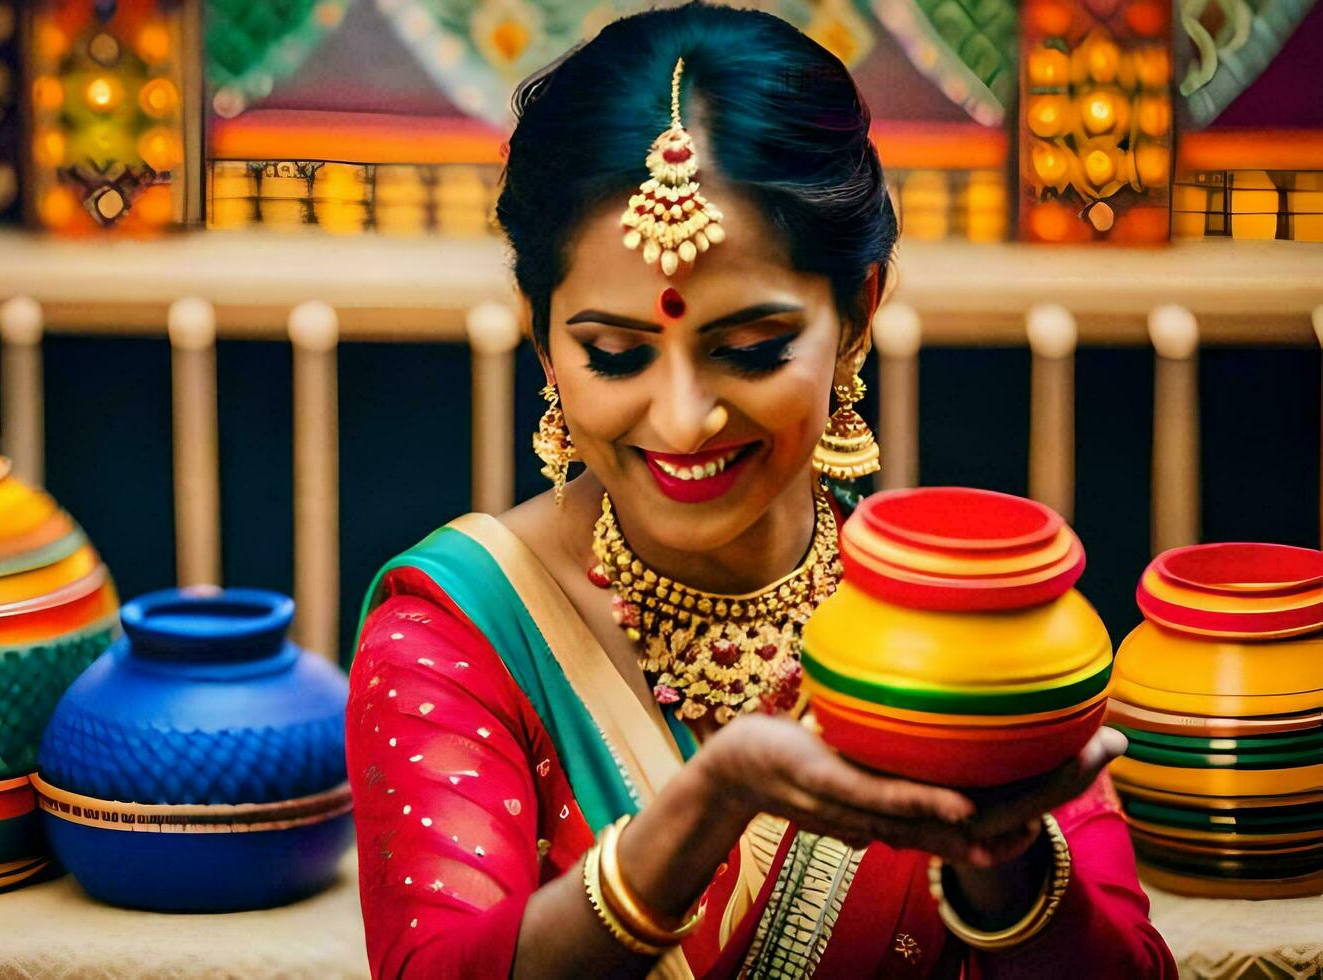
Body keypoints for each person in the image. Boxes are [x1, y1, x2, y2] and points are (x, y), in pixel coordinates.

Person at [346, 4, 1176, 976]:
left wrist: (1004, 860)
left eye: (752, 348)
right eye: (615, 353)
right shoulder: (455, 631)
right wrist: (708, 806)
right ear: (540, 334)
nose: (685, 417)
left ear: (858, 313)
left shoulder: (962, 634)